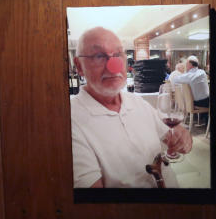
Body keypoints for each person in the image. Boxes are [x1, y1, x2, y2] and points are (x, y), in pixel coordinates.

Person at [71, 27, 193, 188]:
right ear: (79, 66)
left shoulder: (138, 102)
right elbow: (95, 206)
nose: (113, 66)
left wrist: (183, 137)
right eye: (99, 56)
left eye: (118, 54)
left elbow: (172, 135)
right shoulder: (70, 120)